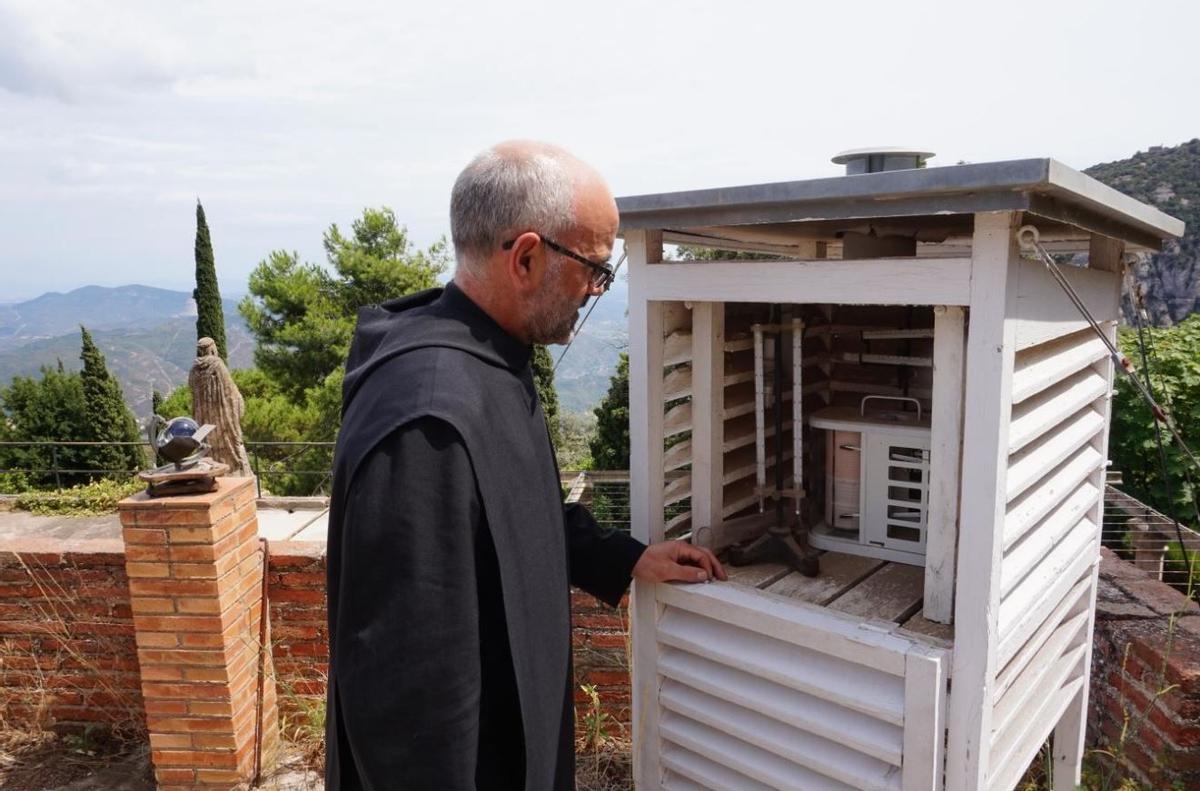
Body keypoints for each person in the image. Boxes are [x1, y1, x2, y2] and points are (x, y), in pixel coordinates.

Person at [324, 140, 725, 790]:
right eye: (594, 267)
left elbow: (511, 508)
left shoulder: (488, 358)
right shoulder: (428, 417)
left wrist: (619, 556)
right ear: (527, 256)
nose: (597, 289)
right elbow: (402, 703)